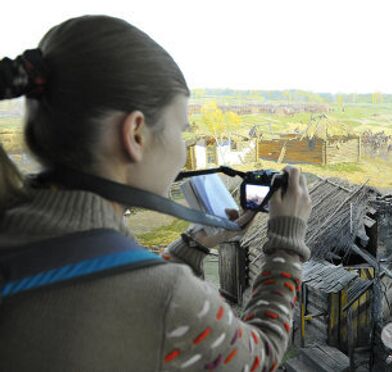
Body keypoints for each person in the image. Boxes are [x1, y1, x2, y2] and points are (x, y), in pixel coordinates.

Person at [0, 15, 312, 371]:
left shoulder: (17, 229)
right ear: (135, 134)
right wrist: (286, 242)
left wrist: (193, 246)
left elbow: (114, 282)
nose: (182, 148)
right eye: (180, 129)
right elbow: (264, 355)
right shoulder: (171, 299)